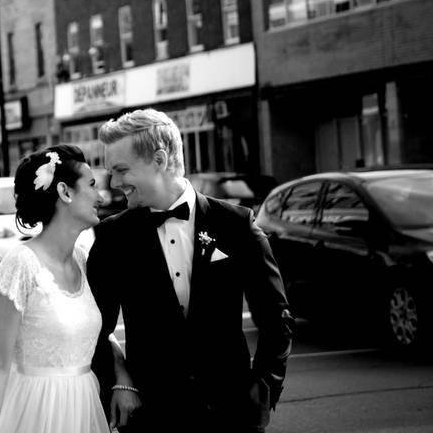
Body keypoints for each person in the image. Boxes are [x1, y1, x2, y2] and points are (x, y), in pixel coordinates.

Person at [88, 109, 294, 432]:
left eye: (121, 170)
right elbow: (93, 327)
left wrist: (264, 389)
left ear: (159, 160)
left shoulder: (236, 224)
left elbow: (275, 317)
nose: (113, 183)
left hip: (231, 414)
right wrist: (119, 380)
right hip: (151, 416)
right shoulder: (113, 238)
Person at [0, 145, 135, 433]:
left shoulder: (84, 261)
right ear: (65, 192)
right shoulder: (20, 265)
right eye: (91, 185)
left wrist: (123, 376)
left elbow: (96, 332)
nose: (100, 196)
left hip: (84, 408)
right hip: (37, 412)